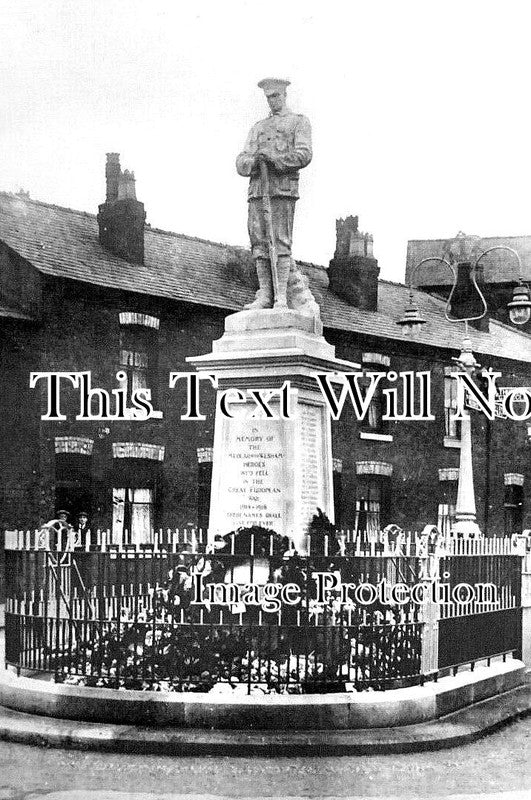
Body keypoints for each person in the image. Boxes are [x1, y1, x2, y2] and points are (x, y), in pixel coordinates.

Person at [236, 78, 318, 314]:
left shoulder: (298, 122)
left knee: (280, 242)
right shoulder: (258, 128)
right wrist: (254, 162)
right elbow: (241, 160)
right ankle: (265, 293)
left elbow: (304, 154)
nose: (272, 101)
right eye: (268, 97)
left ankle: (281, 295)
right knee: (259, 243)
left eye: (276, 96)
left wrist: (276, 160)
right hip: (259, 191)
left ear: (284, 95)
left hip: (282, 190)